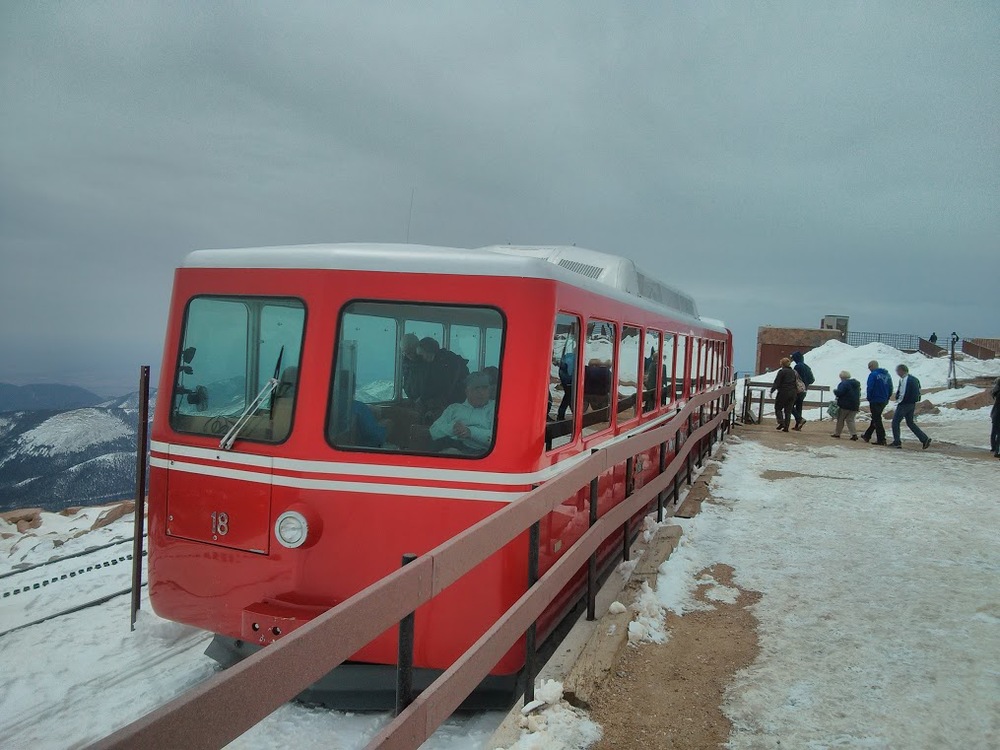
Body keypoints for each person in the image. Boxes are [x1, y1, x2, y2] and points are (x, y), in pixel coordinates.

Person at [429, 371, 496, 454]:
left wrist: (470, 432)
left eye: (485, 388)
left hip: (483, 455)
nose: (481, 392)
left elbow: (499, 438)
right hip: (452, 449)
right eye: (476, 388)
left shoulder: (496, 408)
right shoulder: (454, 408)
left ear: (490, 390)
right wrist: (453, 428)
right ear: (467, 391)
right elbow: (433, 431)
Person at [415, 337, 469, 418]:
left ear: (428, 351)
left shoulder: (441, 365)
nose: (422, 358)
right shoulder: (450, 358)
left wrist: (422, 399)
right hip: (456, 401)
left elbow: (438, 385)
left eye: (422, 354)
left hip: (450, 402)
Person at [890, 364, 931, 449]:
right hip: (912, 403)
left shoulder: (905, 380)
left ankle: (897, 442)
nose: (897, 373)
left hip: (904, 404)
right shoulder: (914, 379)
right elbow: (919, 390)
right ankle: (924, 439)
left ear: (901, 370)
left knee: (895, 422)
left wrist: (898, 401)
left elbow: (903, 392)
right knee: (910, 423)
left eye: (897, 371)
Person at [861, 360, 893, 445]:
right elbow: (890, 387)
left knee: (877, 419)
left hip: (875, 399)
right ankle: (867, 435)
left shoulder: (873, 375)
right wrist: (887, 397)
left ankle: (881, 439)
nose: (869, 369)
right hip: (884, 399)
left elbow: (870, 387)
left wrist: (869, 397)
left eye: (869, 367)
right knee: (876, 417)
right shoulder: (887, 375)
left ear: (872, 366)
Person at [831, 370, 861, 440]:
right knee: (850, 420)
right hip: (855, 405)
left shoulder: (843, 384)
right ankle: (854, 434)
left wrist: (835, 391)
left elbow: (840, 393)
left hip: (845, 405)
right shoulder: (856, 384)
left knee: (840, 419)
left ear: (842, 377)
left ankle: (837, 433)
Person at [770, 357, 798, 432]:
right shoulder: (793, 372)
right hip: (792, 393)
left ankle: (781, 422)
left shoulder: (782, 372)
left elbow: (777, 382)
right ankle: (786, 427)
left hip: (783, 392)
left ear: (782, 364)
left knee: (778, 408)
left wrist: (772, 390)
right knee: (788, 411)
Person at [790, 351, 815, 430]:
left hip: (797, 390)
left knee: (789, 405)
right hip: (804, 390)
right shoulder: (807, 367)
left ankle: (799, 419)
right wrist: (805, 383)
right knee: (799, 407)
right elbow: (812, 380)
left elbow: (794, 378)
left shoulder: (797, 367)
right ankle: (798, 425)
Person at [400, 333, 426, 400]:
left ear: (417, 347)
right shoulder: (405, 362)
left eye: (410, 351)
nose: (408, 355)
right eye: (405, 352)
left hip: (424, 400)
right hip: (413, 399)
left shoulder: (427, 361)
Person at [557, 349, 576, 420]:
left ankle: (561, 414)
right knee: (569, 397)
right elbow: (570, 372)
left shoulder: (567, 357)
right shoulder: (572, 359)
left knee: (568, 397)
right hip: (569, 381)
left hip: (565, 380)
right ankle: (561, 415)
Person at [990, 377, 1000, 459]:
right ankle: (997, 450)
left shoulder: (996, 391)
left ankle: (994, 448)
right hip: (998, 415)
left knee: (994, 432)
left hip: (995, 414)